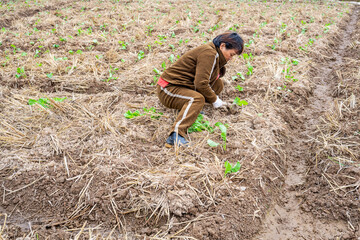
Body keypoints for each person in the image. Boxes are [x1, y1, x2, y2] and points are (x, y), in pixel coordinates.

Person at [156, 32, 244, 147]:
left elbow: (208, 79)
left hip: (183, 86)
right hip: (168, 88)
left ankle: (187, 108)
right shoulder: (209, 53)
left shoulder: (214, 53)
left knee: (218, 85)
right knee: (197, 99)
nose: (231, 58)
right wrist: (216, 101)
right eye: (231, 54)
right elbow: (201, 83)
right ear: (222, 46)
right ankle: (175, 135)